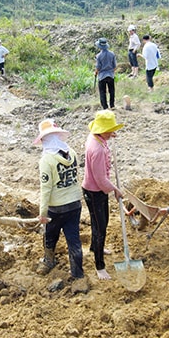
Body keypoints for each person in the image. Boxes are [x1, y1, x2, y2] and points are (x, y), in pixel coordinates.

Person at [33, 119, 84, 280]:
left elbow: (45, 189)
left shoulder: (46, 160)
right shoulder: (72, 153)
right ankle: (78, 274)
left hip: (57, 207)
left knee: (50, 235)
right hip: (75, 203)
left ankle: (49, 260)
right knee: (73, 239)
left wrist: (42, 213)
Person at [82, 110, 124, 280]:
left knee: (100, 222)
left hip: (95, 189)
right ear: (102, 130)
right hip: (94, 191)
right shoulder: (97, 149)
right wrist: (115, 189)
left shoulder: (95, 137)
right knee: (100, 227)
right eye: (110, 129)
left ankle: (95, 247)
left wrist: (108, 135)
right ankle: (99, 265)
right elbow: (100, 179)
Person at [94, 38, 117, 110]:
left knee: (102, 92)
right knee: (112, 91)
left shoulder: (98, 56)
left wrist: (96, 72)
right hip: (110, 75)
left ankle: (105, 106)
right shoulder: (112, 54)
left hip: (102, 76)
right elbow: (115, 66)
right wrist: (111, 71)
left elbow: (98, 67)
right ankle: (112, 105)